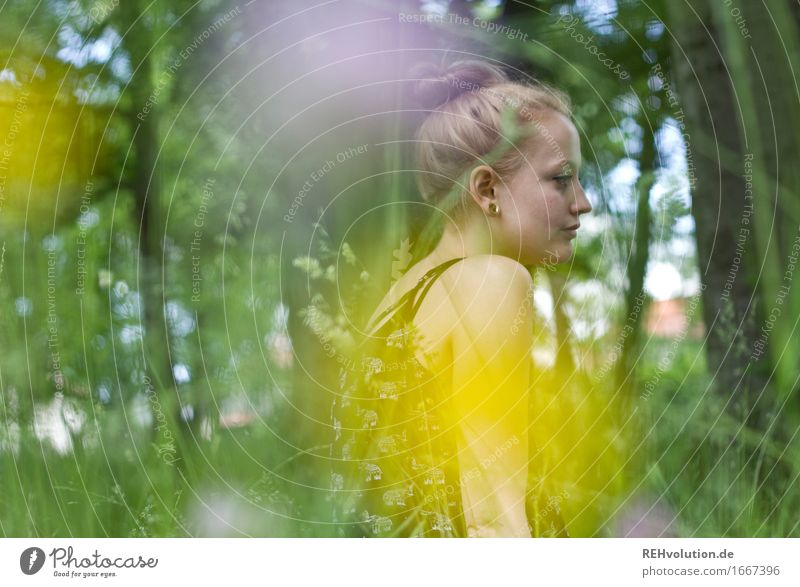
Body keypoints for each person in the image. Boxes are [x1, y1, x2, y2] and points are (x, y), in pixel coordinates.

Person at [333, 59, 592, 538]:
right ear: (487, 188)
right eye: (561, 178)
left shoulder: (397, 302)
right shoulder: (492, 281)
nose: (582, 201)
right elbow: (492, 508)